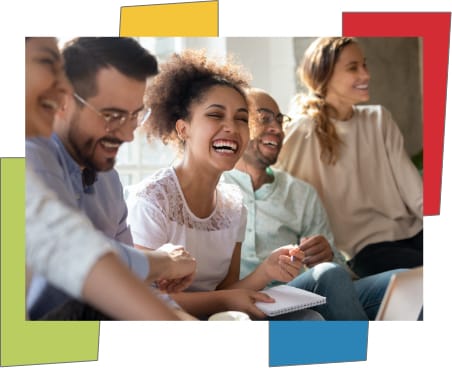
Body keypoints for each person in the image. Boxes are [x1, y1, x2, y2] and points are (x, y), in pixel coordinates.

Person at [126, 50, 322, 320]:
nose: (231, 127)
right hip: (166, 325)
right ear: (183, 129)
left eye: (241, 119)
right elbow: (142, 299)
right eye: (216, 115)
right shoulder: (151, 200)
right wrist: (227, 298)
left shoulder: (232, 205)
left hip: (220, 321)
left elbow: (225, 290)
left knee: (311, 321)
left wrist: (266, 271)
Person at [25, 37, 196, 320]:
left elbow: (132, 281)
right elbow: (73, 253)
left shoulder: (109, 182)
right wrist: (163, 262)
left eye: (134, 117)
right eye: (113, 115)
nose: (128, 135)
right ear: (63, 100)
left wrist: (181, 318)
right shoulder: (30, 154)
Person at [223, 88, 403, 320]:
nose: (277, 129)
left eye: (280, 120)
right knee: (327, 276)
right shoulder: (216, 187)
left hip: (302, 291)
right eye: (264, 119)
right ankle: (364, 353)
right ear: (238, 124)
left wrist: (327, 256)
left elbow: (340, 271)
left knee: (403, 282)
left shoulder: (300, 192)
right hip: (247, 303)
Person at [276, 37, 423, 278]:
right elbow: (279, 189)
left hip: (416, 232)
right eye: (353, 68)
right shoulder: (303, 130)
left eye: (364, 65)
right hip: (364, 251)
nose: (365, 75)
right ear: (325, 75)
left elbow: (414, 190)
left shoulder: (379, 119)